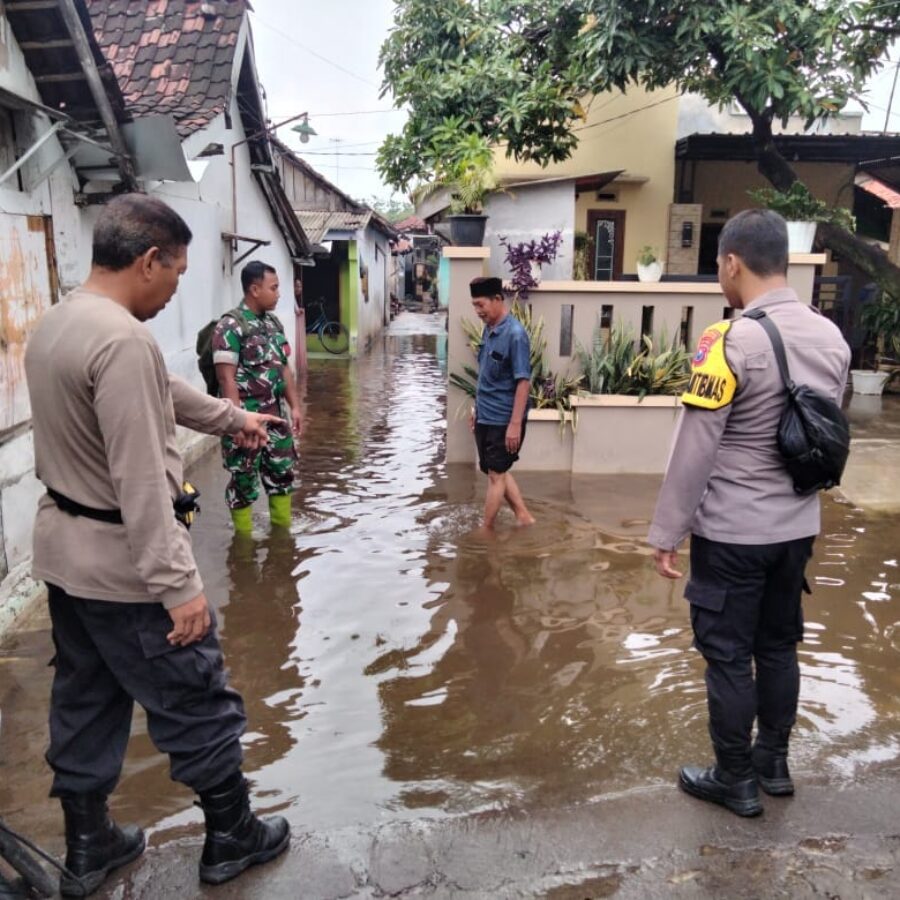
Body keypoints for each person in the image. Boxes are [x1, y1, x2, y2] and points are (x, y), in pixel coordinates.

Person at [24, 194, 291, 896]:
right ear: (147, 261)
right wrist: (180, 586)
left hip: (65, 560)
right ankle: (231, 837)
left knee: (85, 698)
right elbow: (141, 478)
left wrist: (233, 418)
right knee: (195, 696)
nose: (177, 288)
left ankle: (91, 846)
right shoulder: (123, 340)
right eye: (175, 273)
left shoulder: (62, 321)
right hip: (127, 568)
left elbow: (162, 391)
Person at [647, 209, 850, 817]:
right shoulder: (832, 338)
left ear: (732, 262)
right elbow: (822, 429)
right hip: (797, 529)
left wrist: (667, 532)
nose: (719, 274)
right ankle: (775, 765)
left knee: (729, 655)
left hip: (734, 533)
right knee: (779, 645)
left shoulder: (728, 340)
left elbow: (695, 447)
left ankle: (733, 779)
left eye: (718, 265)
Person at [212, 261, 302, 532]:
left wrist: (295, 407)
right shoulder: (230, 327)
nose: (278, 294)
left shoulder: (274, 324)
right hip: (246, 420)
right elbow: (225, 378)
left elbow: (283, 369)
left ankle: (282, 541)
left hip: (275, 418)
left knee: (282, 476)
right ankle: (243, 547)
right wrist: (236, 422)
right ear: (254, 289)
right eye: (273, 288)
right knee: (243, 483)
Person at [468, 276, 535, 528]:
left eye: (480, 305)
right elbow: (486, 373)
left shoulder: (515, 335)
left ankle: (485, 531)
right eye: (474, 305)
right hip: (485, 413)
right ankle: (524, 516)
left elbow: (523, 382)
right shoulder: (489, 329)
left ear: (498, 299)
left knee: (496, 475)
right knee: (497, 471)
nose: (477, 311)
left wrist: (515, 424)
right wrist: (476, 408)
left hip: (503, 418)